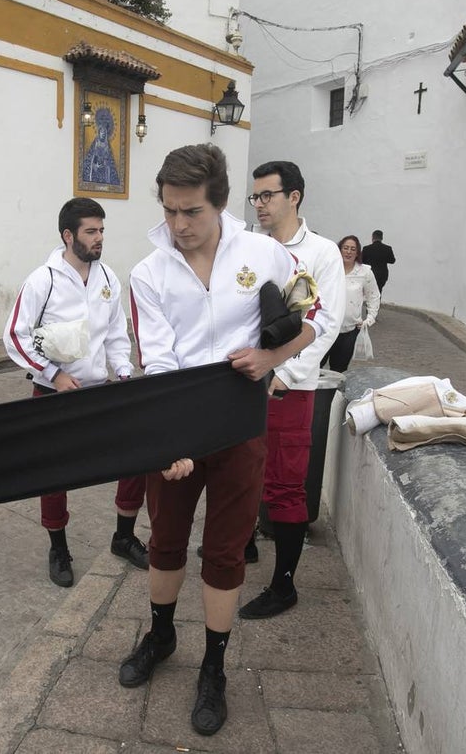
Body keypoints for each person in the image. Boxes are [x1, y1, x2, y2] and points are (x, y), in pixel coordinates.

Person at [121, 144, 330, 736]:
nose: (179, 226)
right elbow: (157, 364)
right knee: (164, 541)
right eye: (170, 211)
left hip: (240, 429)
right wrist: (173, 441)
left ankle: (213, 666)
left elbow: (311, 311)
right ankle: (161, 636)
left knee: (225, 549)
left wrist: (271, 357)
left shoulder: (264, 253)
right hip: (177, 429)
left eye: (192, 213)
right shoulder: (148, 273)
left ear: (220, 206)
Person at [4, 197, 148, 588]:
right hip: (55, 394)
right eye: (91, 231)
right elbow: (15, 337)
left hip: (101, 391)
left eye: (101, 230)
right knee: (54, 473)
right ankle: (59, 547)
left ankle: (124, 534)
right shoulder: (42, 281)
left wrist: (122, 369)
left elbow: (117, 333)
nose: (99, 238)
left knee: (138, 454)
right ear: (69, 235)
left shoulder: (107, 279)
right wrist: (53, 374)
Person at [240, 160, 345, 619]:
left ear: (294, 196)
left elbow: (325, 323)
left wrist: (281, 372)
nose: (259, 204)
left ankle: (284, 585)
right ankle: (242, 547)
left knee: (285, 484)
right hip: (244, 382)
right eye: (255, 197)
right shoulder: (248, 248)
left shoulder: (320, 253)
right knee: (240, 471)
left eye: (267, 195)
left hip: (288, 387)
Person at [321, 235, 381, 373]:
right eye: (345, 248)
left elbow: (374, 296)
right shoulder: (329, 269)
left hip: (349, 331)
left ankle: (333, 394)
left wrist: (369, 319)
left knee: (339, 369)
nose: (348, 252)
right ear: (340, 250)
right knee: (316, 366)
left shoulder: (365, 272)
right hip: (326, 327)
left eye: (352, 249)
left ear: (357, 253)